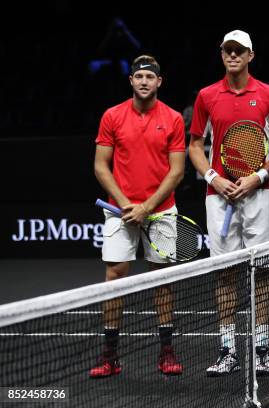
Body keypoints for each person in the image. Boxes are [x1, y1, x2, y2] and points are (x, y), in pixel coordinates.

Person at [188, 30, 269, 377]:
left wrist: (256, 178)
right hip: (219, 197)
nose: (232, 56)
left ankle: (261, 350)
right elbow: (194, 146)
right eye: (227, 51)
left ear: (250, 55)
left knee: (262, 272)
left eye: (239, 51)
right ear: (222, 55)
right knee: (225, 274)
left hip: (259, 195)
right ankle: (227, 351)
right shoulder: (206, 95)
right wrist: (214, 177)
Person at [91, 55, 185, 377]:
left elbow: (176, 172)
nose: (144, 81)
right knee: (115, 276)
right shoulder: (112, 116)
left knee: (162, 280)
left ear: (159, 82)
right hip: (120, 211)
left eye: (150, 76)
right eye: (139, 76)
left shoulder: (172, 118)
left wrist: (146, 207)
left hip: (160, 211)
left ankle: (167, 353)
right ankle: (110, 357)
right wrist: (126, 204)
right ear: (131, 81)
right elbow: (101, 166)